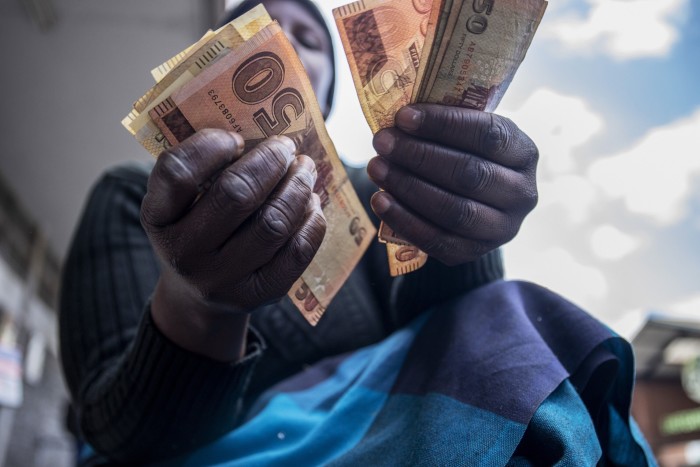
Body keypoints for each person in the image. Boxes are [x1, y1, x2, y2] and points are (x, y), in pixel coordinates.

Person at [59, 0, 655, 465]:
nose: (283, 40)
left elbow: (450, 336)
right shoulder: (128, 193)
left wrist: (459, 230)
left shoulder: (377, 188)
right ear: (204, 65)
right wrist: (196, 305)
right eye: (253, 27)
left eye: (309, 39)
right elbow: (115, 432)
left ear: (324, 83)